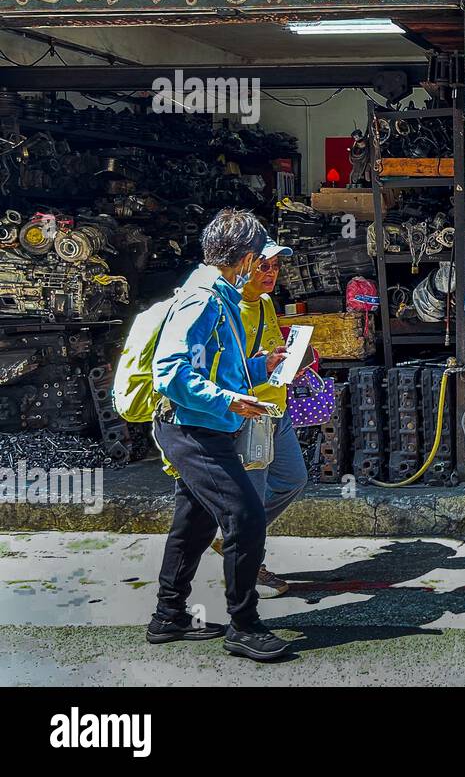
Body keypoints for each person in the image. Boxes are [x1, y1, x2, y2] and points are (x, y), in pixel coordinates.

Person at [147, 208, 292, 662]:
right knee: (245, 517)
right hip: (193, 428)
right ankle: (244, 626)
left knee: (194, 523)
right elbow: (169, 372)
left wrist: (257, 368)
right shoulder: (205, 299)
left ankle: (168, 617)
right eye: (258, 256)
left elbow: (217, 367)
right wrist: (228, 401)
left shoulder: (218, 294)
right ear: (247, 256)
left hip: (201, 424)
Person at [209, 240, 309, 596]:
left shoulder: (266, 304)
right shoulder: (228, 309)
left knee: (293, 479)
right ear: (246, 264)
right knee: (252, 495)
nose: (271, 274)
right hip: (251, 414)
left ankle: (236, 538)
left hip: (274, 410)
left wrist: (285, 364)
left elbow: (266, 353)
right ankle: (249, 570)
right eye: (264, 266)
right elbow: (224, 371)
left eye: (276, 267)